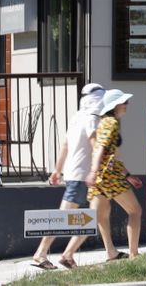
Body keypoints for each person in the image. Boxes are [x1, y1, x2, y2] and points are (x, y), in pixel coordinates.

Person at [31, 83, 105, 270]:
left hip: (75, 174)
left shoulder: (76, 117)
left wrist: (57, 170)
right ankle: (41, 254)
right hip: (83, 175)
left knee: (96, 215)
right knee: (64, 217)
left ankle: (68, 254)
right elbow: (95, 144)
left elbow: (65, 145)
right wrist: (97, 169)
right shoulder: (91, 119)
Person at [86, 88, 143, 261]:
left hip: (103, 176)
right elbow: (100, 148)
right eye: (124, 102)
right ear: (116, 105)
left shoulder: (106, 121)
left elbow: (111, 155)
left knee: (99, 216)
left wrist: (128, 175)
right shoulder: (111, 122)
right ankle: (134, 254)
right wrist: (93, 171)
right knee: (135, 211)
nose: (127, 104)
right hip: (109, 177)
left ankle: (110, 252)